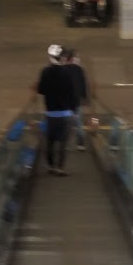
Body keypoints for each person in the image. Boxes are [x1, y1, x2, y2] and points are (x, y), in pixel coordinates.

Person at [34, 44, 79, 175]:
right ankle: (60, 168)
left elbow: (41, 90)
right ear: (62, 58)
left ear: (50, 57)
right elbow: (72, 93)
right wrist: (74, 110)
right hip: (65, 113)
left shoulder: (45, 72)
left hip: (50, 113)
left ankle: (50, 166)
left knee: (50, 141)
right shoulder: (67, 73)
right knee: (63, 142)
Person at [60, 47, 90, 152]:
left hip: (65, 102)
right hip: (76, 101)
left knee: (65, 123)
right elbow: (83, 84)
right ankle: (80, 144)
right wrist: (85, 98)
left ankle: (64, 143)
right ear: (72, 59)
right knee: (79, 123)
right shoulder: (79, 69)